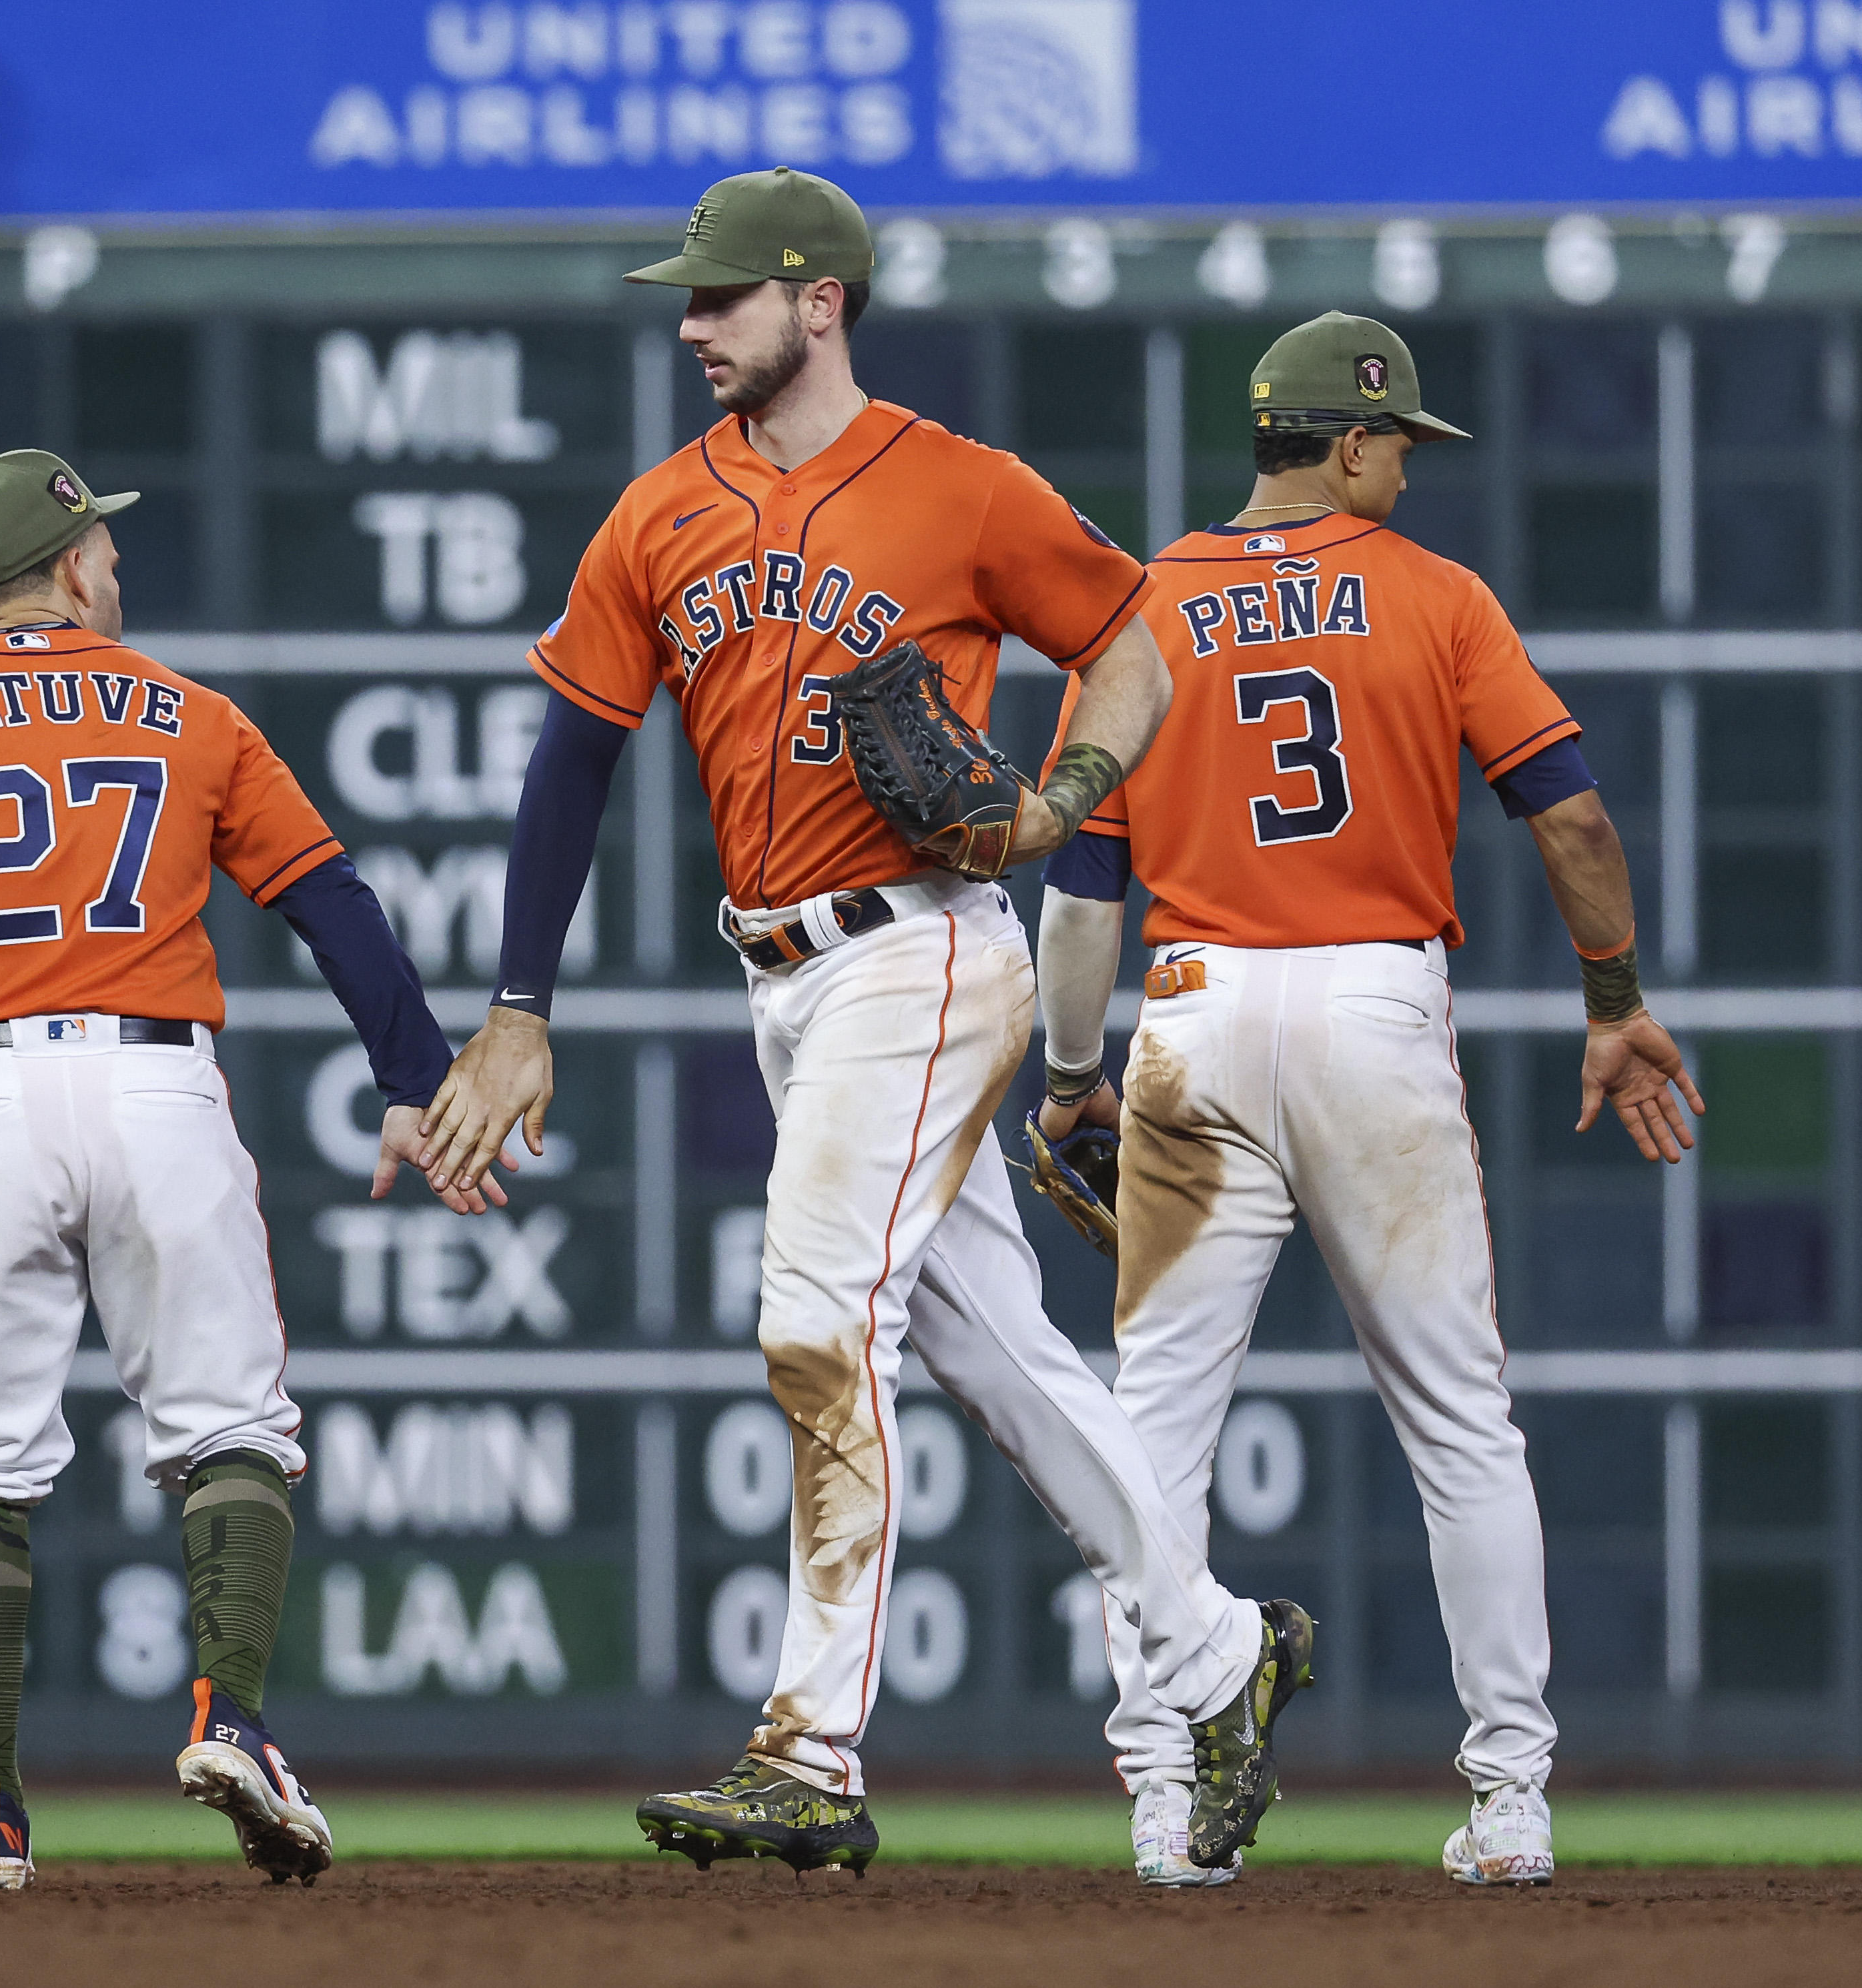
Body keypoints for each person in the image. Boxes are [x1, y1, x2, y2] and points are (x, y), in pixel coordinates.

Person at [424, 168, 1306, 1877]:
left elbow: (1137, 636)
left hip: (922, 952)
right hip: (785, 981)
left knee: (818, 1318)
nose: (689, 322)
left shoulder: (957, 488)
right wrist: (517, 1004)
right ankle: (1215, 1648)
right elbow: (574, 757)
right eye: (686, 298)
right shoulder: (656, 513)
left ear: (817, 300)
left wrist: (1065, 800)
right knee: (992, 1346)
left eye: (720, 296)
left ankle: (808, 1742)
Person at [0, 449, 482, 1888]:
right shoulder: (192, 714)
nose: (115, 568)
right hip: (155, 1083)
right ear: (70, 565)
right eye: (104, 548)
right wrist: (414, 1078)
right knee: (230, 1427)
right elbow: (335, 902)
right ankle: (232, 1717)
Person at [1029, 313, 1699, 1889]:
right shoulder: (1433, 595)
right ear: (1345, 441)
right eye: (1399, 440)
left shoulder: (1143, 609)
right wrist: (1612, 998)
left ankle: (1164, 1799)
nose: (1408, 464)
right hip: (1371, 1010)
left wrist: (1069, 1078)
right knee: (1461, 1419)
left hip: (1193, 1014)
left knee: (1153, 1435)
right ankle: (1513, 1795)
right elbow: (1576, 817)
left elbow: (1081, 893)